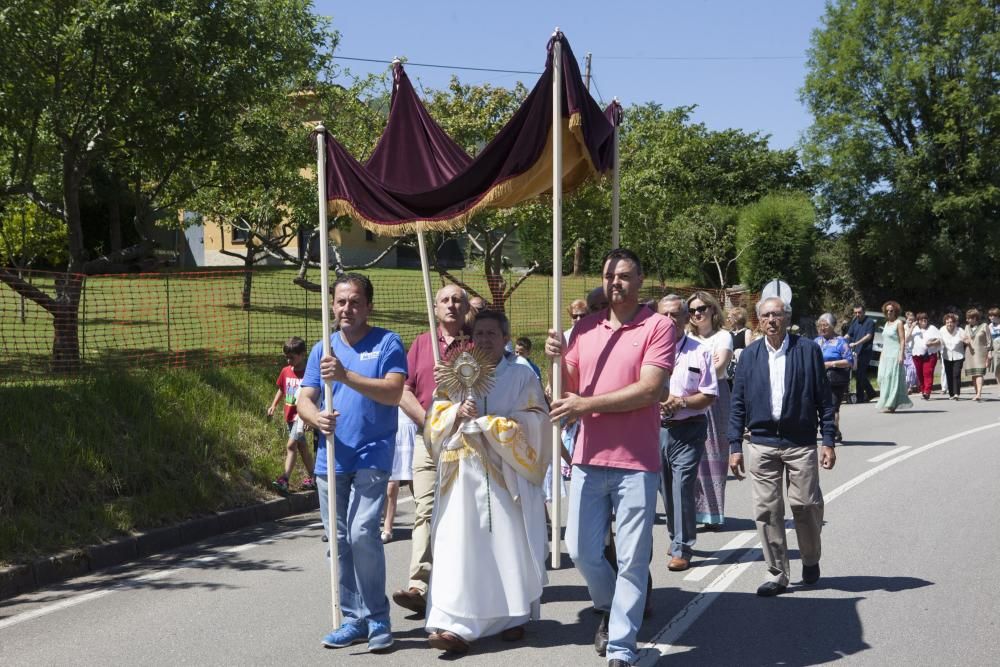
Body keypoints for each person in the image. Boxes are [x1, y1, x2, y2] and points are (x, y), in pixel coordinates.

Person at [545, 248, 675, 667]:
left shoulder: (658, 327)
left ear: (639, 281)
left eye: (622, 275)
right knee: (580, 550)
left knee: (634, 556)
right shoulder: (584, 328)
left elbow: (650, 389)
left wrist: (585, 405)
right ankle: (609, 604)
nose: (614, 282)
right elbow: (566, 389)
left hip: (636, 462)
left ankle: (621, 645)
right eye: (608, 275)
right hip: (587, 457)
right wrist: (554, 360)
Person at [424, 310, 550, 654]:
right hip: (460, 473)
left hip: (503, 473)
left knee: (502, 545)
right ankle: (454, 621)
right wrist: (454, 413)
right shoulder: (455, 374)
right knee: (458, 545)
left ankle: (511, 615)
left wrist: (490, 425)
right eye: (479, 333)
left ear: (506, 338)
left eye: (492, 333)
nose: (484, 339)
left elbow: (537, 421)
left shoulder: (521, 376)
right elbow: (434, 417)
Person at [296, 273, 407, 652]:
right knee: (339, 541)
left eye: (355, 301)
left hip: (373, 452)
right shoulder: (321, 349)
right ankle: (353, 619)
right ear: (332, 305)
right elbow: (304, 397)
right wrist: (314, 417)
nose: (347, 308)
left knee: (362, 533)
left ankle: (378, 616)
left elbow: (393, 392)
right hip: (331, 456)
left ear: (368, 306)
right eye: (341, 301)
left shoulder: (388, 342)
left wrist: (347, 376)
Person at [728, 296, 836, 598]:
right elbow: (737, 403)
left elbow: (824, 400)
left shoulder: (808, 351)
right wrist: (734, 444)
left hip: (800, 443)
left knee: (806, 506)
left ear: (787, 318)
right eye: (765, 316)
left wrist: (828, 439)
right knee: (767, 511)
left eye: (777, 314)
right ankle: (777, 572)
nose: (771, 320)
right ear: (758, 321)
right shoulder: (748, 356)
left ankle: (811, 558)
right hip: (762, 443)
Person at [392, 285, 471, 616]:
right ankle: (419, 585)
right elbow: (403, 389)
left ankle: (463, 584)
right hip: (428, 442)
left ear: (466, 307)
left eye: (457, 300)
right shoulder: (422, 343)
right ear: (435, 308)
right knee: (425, 510)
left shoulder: (476, 344)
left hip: (466, 441)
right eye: (445, 300)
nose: (451, 305)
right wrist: (430, 422)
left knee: (463, 514)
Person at [656, 295, 717, 571]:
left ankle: (682, 547)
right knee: (665, 489)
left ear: (685, 318)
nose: (670, 320)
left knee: (682, 486)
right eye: (664, 315)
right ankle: (675, 535)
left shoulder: (700, 351)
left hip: (689, 429)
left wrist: (680, 402)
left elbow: (708, 395)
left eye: (676, 315)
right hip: (655, 430)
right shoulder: (648, 352)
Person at [686, 291, 733, 530]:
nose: (697, 314)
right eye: (692, 310)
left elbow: (720, 366)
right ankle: (693, 510)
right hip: (689, 397)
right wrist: (704, 365)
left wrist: (694, 369)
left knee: (714, 452)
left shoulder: (723, 337)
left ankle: (714, 512)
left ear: (713, 310)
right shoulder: (687, 338)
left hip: (715, 397)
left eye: (701, 308)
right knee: (691, 454)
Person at [267, 336, 316, 493]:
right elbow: (281, 389)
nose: (289, 361)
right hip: (289, 415)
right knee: (302, 448)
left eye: (292, 358)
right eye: (286, 357)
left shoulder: (310, 373)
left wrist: (311, 416)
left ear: (303, 354)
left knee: (291, 445)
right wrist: (273, 405)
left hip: (301, 417)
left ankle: (284, 479)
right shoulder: (285, 371)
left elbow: (315, 394)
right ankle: (315, 478)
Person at [814, 313, 853, 441]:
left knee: (832, 407)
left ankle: (832, 431)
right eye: (820, 325)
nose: (822, 328)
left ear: (832, 326)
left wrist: (831, 364)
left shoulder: (841, 342)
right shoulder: (816, 341)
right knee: (816, 406)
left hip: (835, 379)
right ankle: (830, 429)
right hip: (818, 379)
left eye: (825, 325)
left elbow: (849, 361)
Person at [381, 411, 416, 543]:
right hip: (391, 431)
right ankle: (387, 529)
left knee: (415, 482)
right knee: (390, 486)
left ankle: (424, 524)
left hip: (411, 428)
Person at [875, 301, 911, 413]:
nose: (889, 312)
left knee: (893, 379)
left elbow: (902, 339)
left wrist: (901, 354)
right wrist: (881, 356)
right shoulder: (886, 324)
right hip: (886, 355)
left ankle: (891, 404)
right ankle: (886, 401)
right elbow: (885, 342)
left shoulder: (898, 323)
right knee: (883, 378)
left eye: (891, 310)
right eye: (887, 310)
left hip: (895, 354)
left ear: (895, 311)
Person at [845, 305, 877, 403]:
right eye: (856, 312)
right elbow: (849, 334)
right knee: (859, 374)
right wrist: (840, 340)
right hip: (855, 352)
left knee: (860, 373)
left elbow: (868, 336)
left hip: (865, 351)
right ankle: (868, 393)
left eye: (859, 312)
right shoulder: (855, 321)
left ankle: (863, 395)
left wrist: (856, 343)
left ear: (864, 312)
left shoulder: (870, 322)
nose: (857, 314)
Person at [910, 313, 942, 400]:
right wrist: (912, 327)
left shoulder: (932, 328)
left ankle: (927, 392)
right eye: (921, 319)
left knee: (927, 373)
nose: (923, 321)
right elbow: (907, 339)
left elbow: (940, 340)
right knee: (919, 374)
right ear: (918, 321)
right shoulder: (914, 329)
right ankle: (923, 390)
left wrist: (932, 343)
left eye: (925, 319)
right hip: (917, 355)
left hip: (930, 355)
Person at [963, 308, 991, 401]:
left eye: (969, 318)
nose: (967, 320)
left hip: (981, 353)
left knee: (979, 373)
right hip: (970, 353)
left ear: (975, 318)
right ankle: (976, 393)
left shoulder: (984, 326)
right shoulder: (967, 327)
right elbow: (965, 338)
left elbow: (989, 341)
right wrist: (965, 341)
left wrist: (989, 353)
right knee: (974, 375)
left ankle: (979, 393)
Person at [939, 313, 966, 400]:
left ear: (955, 323)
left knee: (956, 374)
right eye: (947, 322)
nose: (949, 324)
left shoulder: (960, 330)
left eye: (951, 322)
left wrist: (965, 340)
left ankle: (956, 393)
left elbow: (966, 339)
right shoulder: (942, 330)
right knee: (949, 374)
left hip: (958, 355)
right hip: (947, 355)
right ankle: (951, 394)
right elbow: (939, 341)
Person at [903, 312, 919, 393]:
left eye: (912, 320)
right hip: (905, 351)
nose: (911, 322)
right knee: (905, 370)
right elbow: (906, 339)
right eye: (909, 320)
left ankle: (910, 387)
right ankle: (907, 386)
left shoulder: (917, 328)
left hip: (913, 351)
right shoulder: (903, 328)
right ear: (906, 320)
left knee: (912, 369)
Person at [989, 307, 1000, 384]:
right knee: (997, 370)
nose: (991, 317)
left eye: (993, 315)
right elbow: (989, 341)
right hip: (995, 351)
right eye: (990, 316)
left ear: (998, 316)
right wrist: (989, 352)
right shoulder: (989, 326)